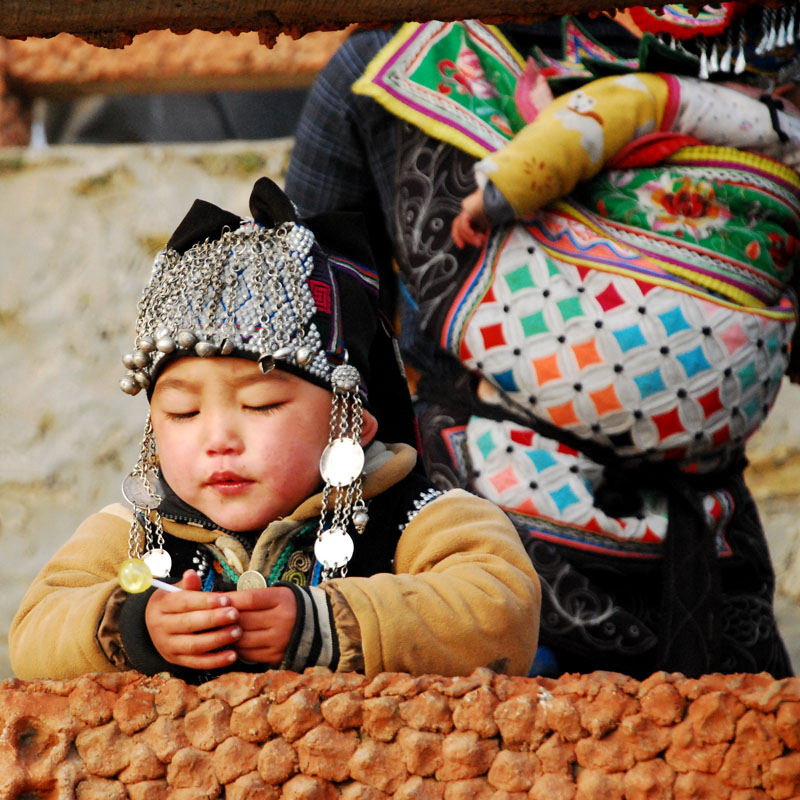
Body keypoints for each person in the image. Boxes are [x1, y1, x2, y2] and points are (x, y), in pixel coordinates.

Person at [285, 6, 800, 679]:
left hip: (632, 551)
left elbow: (316, 336)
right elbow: (314, 342)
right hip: (499, 557)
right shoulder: (750, 60)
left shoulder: (386, 62)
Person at [9, 177, 541, 683]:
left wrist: (324, 624)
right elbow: (34, 632)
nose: (219, 440)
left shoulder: (418, 518)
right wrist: (135, 625)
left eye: (260, 405)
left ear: (353, 422)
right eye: (183, 412)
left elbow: (502, 609)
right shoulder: (131, 533)